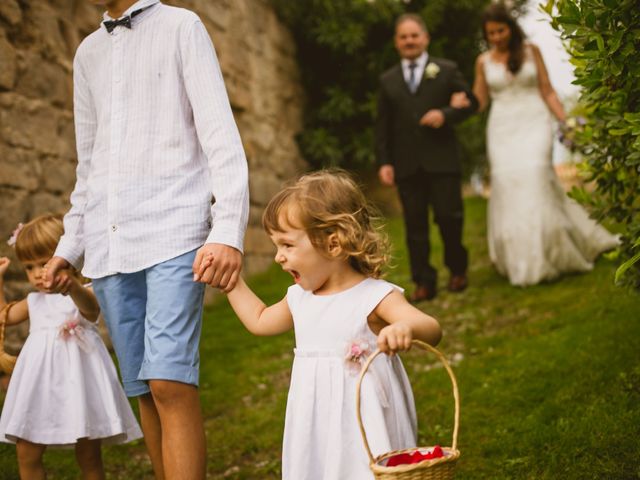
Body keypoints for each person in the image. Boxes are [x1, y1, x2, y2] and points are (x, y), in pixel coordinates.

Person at [42, 1, 249, 478]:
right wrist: (69, 247)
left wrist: (227, 229)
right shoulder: (87, 53)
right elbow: (88, 162)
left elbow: (221, 135)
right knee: (143, 390)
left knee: (169, 382)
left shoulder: (182, 26)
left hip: (176, 230)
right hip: (110, 243)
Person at [200, 170, 442, 479]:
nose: (278, 257)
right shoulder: (300, 298)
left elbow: (430, 327)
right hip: (314, 416)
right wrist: (231, 284)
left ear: (334, 243)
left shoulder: (372, 297)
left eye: (287, 245)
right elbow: (260, 320)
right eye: (276, 246)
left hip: (364, 416)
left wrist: (405, 329)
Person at [456, 3, 619, 286]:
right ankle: (523, 260)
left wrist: (565, 121)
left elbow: (547, 89)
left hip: (535, 122)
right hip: (502, 128)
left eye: (500, 30)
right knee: (509, 185)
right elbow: (480, 100)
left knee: (535, 177)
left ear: (511, 28)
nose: (496, 37)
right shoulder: (483, 61)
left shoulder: (532, 51)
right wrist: (462, 103)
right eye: (490, 33)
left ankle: (556, 252)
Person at [0, 215, 142, 480]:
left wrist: (72, 287)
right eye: (30, 267)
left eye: (45, 263)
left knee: (88, 454)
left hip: (80, 383)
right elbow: (3, 316)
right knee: (26, 451)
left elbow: (91, 311)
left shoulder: (84, 291)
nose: (38, 274)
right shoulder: (34, 301)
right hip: (39, 385)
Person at [375, 13, 479, 303]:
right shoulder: (388, 80)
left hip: (442, 160)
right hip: (407, 165)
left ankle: (457, 270)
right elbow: (382, 125)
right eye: (403, 37)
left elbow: (471, 101)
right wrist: (385, 161)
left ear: (425, 38)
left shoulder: (446, 70)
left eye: (414, 35)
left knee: (449, 218)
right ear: (397, 43)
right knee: (415, 226)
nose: (409, 41)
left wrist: (445, 114)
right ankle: (423, 281)